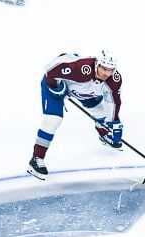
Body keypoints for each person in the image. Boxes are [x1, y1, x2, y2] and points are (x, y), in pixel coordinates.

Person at [28, 50, 122, 179]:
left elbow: (113, 102)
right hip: (58, 85)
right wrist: (55, 87)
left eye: (110, 70)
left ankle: (103, 134)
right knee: (53, 120)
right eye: (103, 69)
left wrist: (115, 122)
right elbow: (51, 70)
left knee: (101, 112)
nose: (106, 73)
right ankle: (36, 158)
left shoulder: (114, 79)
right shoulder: (81, 68)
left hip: (83, 90)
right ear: (97, 64)